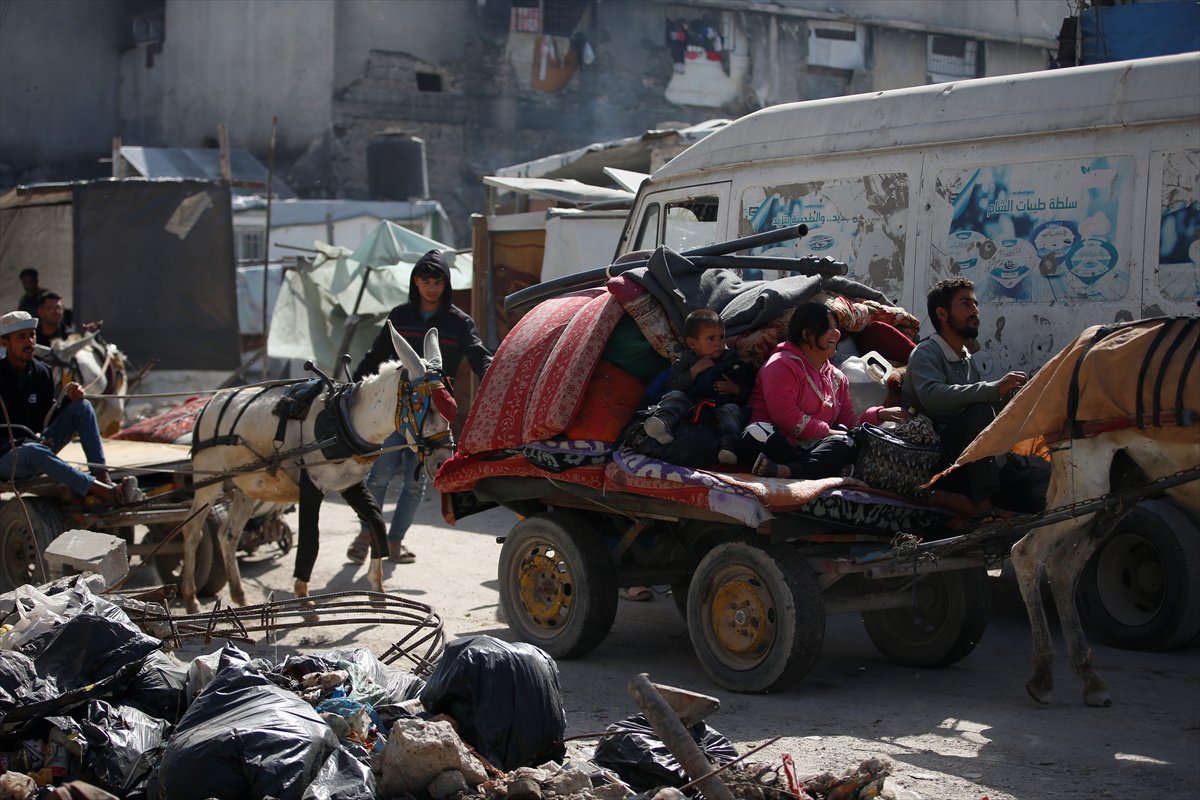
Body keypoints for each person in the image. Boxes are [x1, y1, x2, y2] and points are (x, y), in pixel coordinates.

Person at [346, 250, 492, 564]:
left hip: (433, 417)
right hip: (397, 411)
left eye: (437, 280)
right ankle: (367, 533)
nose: (431, 287)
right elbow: (376, 355)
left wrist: (498, 376)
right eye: (425, 280)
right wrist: (351, 385)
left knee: (415, 482)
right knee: (380, 474)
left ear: (446, 283)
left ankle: (395, 541)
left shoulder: (459, 323)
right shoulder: (399, 317)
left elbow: (479, 357)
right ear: (416, 282)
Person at [900, 277, 1029, 515]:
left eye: (975, 304)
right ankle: (984, 509)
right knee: (980, 411)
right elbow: (933, 397)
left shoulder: (965, 358)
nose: (975, 310)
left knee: (1030, 484)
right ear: (942, 313)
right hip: (932, 453)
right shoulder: (926, 353)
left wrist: (1013, 397)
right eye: (965, 304)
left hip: (962, 455)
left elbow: (977, 397)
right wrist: (992, 389)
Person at [739, 301, 910, 479]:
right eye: (829, 327)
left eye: (836, 327)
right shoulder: (780, 364)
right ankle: (817, 468)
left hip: (812, 446)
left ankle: (788, 471)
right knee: (757, 433)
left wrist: (879, 415)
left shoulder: (838, 377)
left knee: (845, 443)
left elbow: (849, 422)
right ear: (807, 334)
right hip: (775, 439)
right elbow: (787, 417)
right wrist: (829, 432)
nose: (836, 333)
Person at [0, 311, 138, 504]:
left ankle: (101, 476)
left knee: (82, 407)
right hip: (6, 456)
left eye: (32, 335)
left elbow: (44, 417)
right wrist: (30, 442)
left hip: (34, 448)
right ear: (5, 343)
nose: (29, 342)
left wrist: (68, 401)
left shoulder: (42, 372)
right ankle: (106, 493)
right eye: (21, 337)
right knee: (34, 451)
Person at [640, 309, 756, 465]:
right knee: (674, 397)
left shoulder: (732, 361)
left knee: (732, 411)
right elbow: (673, 386)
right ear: (692, 343)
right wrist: (693, 371)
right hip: (690, 407)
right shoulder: (684, 363)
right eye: (711, 339)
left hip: (719, 409)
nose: (718, 343)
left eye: (721, 337)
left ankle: (729, 447)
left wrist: (734, 389)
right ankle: (661, 424)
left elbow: (748, 391)